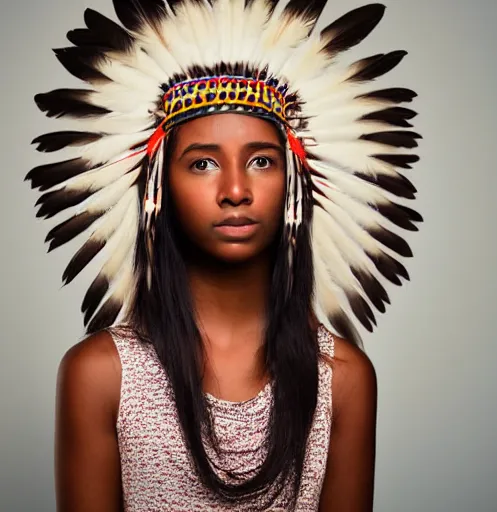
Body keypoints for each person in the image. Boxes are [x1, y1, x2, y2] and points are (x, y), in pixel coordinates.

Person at [26, 1, 422, 510]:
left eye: (261, 160)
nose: (235, 189)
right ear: (159, 187)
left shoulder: (342, 377)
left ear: (295, 184)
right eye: (203, 163)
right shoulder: (102, 374)